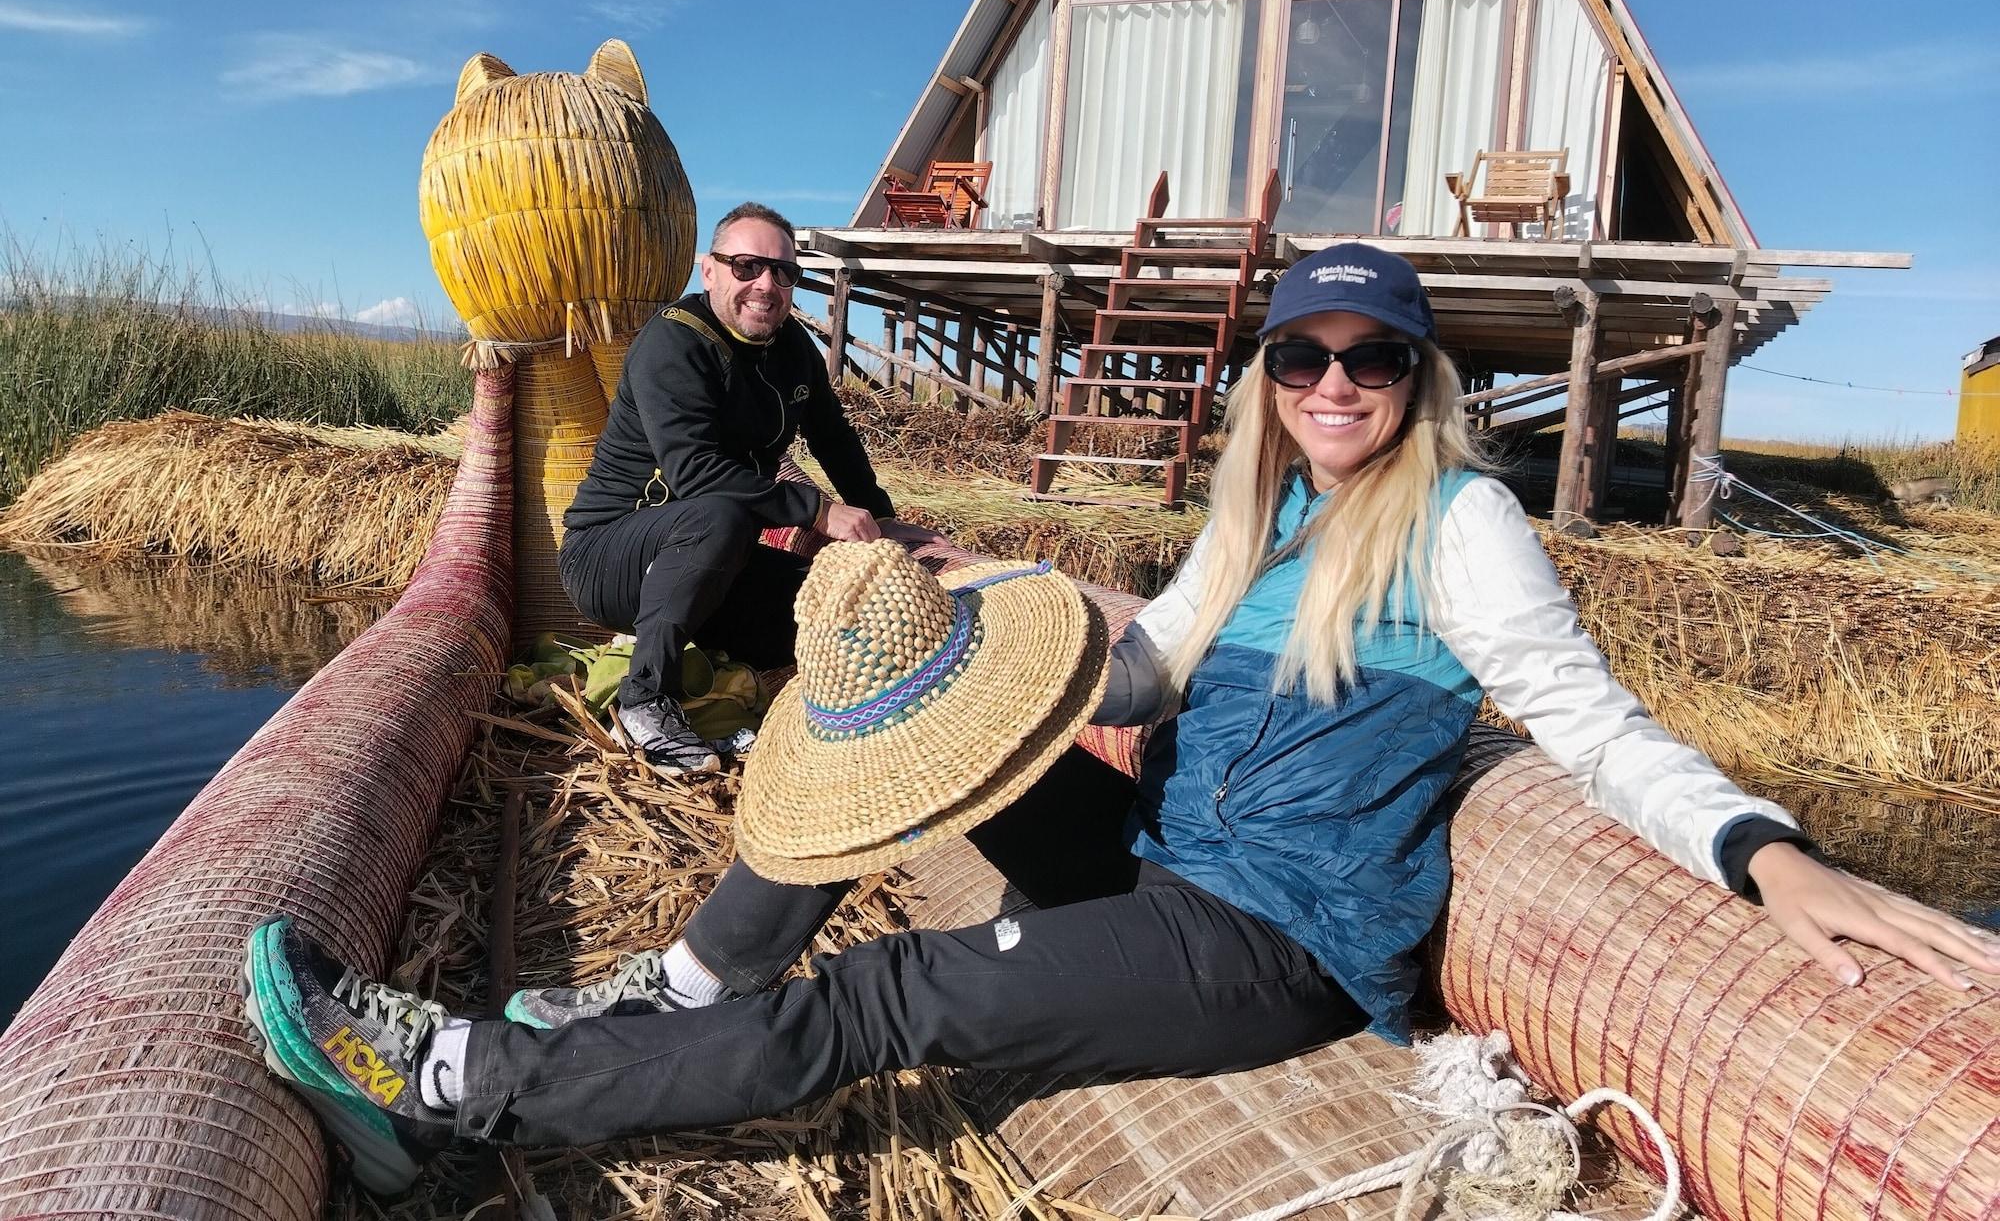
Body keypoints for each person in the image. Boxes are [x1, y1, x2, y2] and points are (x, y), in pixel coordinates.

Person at [242, 243, 2000, 1197]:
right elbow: (1146, 662)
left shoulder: (1457, 523)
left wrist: (1770, 858)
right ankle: (686, 987)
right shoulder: (1261, 514)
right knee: (865, 771)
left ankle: (466, 1086)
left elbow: (1593, 727)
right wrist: (1002, 669)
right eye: (1301, 358)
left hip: (1273, 933)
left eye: (1367, 363)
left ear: (1416, 381)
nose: (1331, 387)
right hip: (1169, 846)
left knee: (883, 993)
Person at [559, 200, 921, 774]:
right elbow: (696, 473)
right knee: (720, 514)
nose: (766, 285)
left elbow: (836, 441)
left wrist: (883, 521)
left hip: (712, 558)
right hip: (610, 555)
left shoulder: (793, 349)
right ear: (710, 270)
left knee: (813, 606)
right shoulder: (672, 344)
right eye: (747, 266)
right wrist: (818, 512)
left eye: (783, 272)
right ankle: (644, 704)